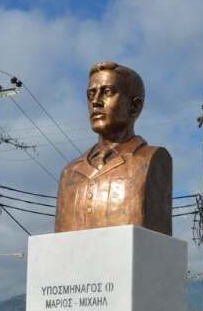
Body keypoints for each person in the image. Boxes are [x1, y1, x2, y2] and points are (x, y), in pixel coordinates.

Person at [54, 61, 172, 235]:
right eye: (90, 94)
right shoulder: (70, 172)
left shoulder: (151, 159)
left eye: (107, 92)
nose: (95, 102)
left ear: (135, 106)